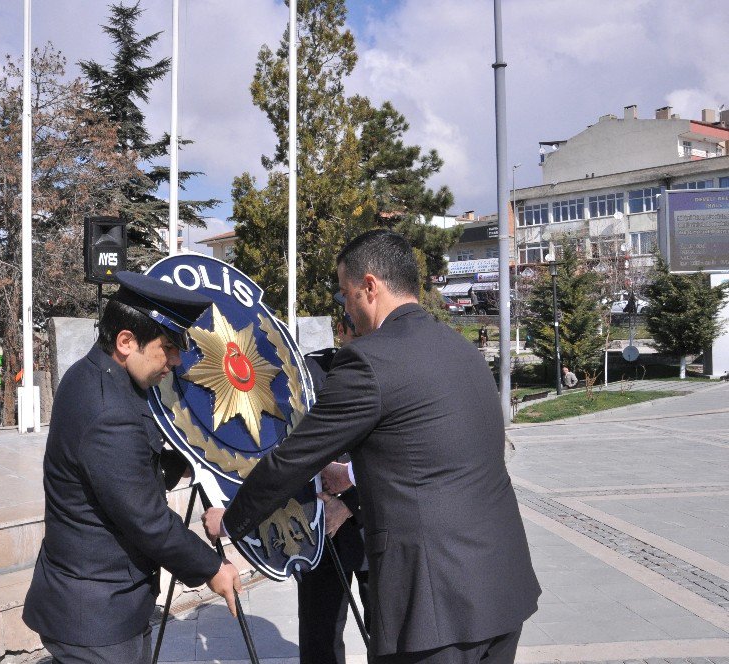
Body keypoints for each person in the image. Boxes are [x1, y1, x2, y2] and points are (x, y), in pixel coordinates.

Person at [204, 230, 540, 663]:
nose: (345, 308)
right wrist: (348, 475)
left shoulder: (368, 360)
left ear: (369, 286)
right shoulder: (460, 348)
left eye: (346, 295)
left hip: (434, 605)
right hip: (500, 585)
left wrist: (231, 521)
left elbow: (293, 459)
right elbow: (436, 455)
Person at [23, 271, 241, 664]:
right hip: (96, 616)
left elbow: (136, 468)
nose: (175, 362)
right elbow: (148, 520)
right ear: (126, 342)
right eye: (168, 348)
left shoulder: (95, 375)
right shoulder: (109, 410)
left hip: (99, 603)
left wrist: (195, 456)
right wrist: (212, 568)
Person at [298, 309, 371, 664]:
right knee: (320, 638)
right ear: (340, 330)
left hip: (374, 523)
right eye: (357, 333)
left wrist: (349, 502)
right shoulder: (310, 372)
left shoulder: (391, 367)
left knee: (392, 639)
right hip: (321, 526)